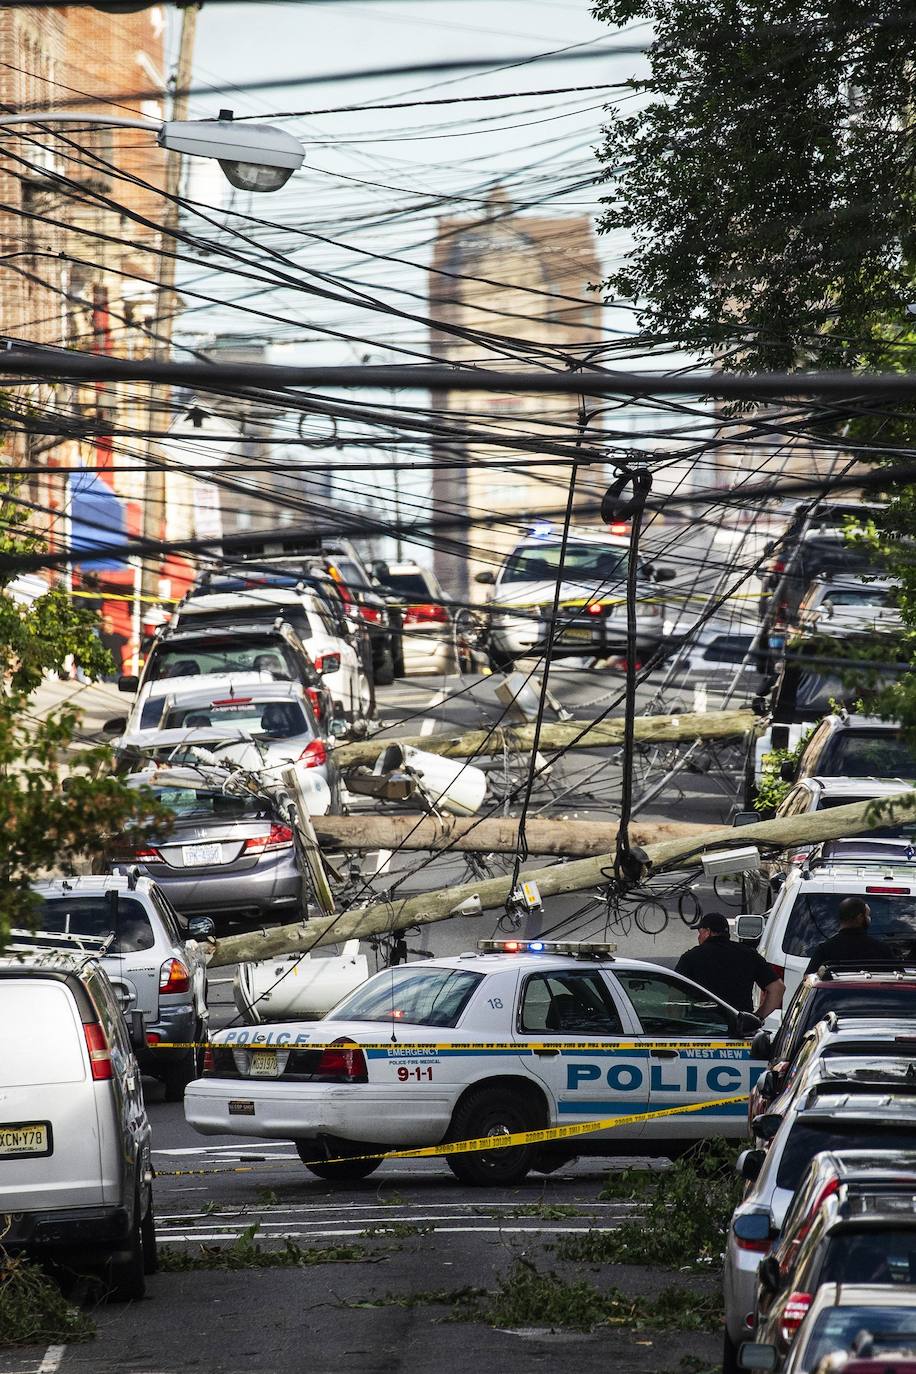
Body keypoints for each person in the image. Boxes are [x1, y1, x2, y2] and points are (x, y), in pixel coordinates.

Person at [675, 911, 785, 1016]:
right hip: (739, 1027)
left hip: (702, 1025)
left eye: (700, 932)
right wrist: (757, 1018)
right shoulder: (749, 954)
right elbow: (778, 988)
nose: (698, 937)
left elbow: (675, 997)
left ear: (708, 932)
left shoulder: (690, 957)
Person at [804, 896, 894, 976]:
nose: (869, 919)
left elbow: (808, 980)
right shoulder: (881, 949)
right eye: (867, 915)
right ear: (859, 918)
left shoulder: (825, 949)